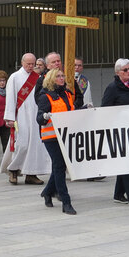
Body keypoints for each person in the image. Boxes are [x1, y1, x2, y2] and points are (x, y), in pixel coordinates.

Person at [101, 58, 129, 206]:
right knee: (127, 163)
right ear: (118, 72)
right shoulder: (112, 87)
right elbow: (105, 109)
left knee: (126, 162)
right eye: (125, 70)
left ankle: (119, 194)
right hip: (118, 130)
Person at [37, 69, 82, 215]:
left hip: (65, 135)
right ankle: (66, 201)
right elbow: (39, 119)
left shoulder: (67, 94)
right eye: (58, 76)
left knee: (60, 166)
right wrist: (44, 116)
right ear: (51, 79)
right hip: (51, 137)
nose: (62, 78)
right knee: (59, 165)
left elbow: (69, 112)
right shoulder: (45, 96)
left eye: (62, 76)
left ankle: (47, 192)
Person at [1, 53, 49, 185]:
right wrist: (9, 117)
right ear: (22, 63)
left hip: (35, 115)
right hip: (20, 115)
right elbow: (10, 98)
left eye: (33, 64)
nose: (30, 66)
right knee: (21, 144)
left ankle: (31, 173)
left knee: (35, 144)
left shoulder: (37, 77)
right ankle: (13, 170)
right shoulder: (14, 77)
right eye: (28, 64)